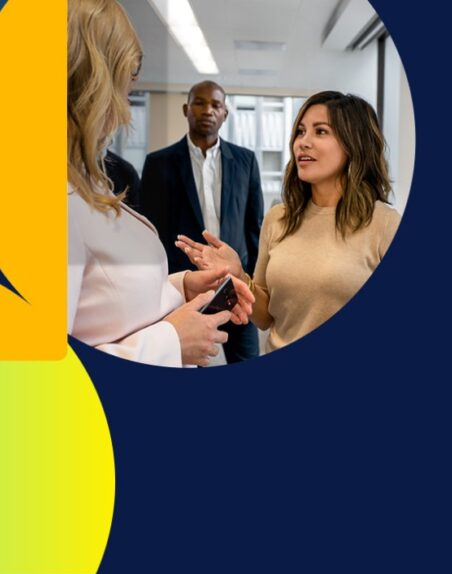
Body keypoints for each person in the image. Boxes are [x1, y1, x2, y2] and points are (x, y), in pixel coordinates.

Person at [67, 0, 254, 368]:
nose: (127, 101)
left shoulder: (86, 179)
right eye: (127, 81)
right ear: (93, 82)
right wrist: (171, 341)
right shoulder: (155, 163)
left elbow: (107, 298)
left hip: (215, 288)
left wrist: (181, 286)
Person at [178, 91, 400, 353]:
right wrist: (238, 275)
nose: (303, 142)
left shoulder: (384, 224)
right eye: (301, 132)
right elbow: (264, 317)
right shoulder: (279, 218)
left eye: (320, 131)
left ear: (354, 143)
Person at [138, 81, 264, 364]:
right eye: (199, 103)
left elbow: (253, 227)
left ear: (225, 114)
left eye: (216, 105)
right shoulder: (158, 163)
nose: (208, 110)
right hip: (183, 289)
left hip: (235, 287)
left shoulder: (245, 161)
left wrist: (252, 280)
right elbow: (150, 234)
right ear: (186, 109)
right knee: (190, 365)